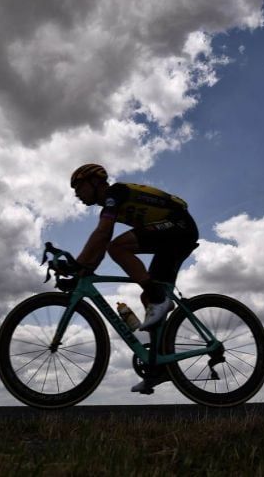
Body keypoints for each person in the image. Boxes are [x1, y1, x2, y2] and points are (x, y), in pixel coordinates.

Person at [69, 163, 199, 392]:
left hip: (178, 226)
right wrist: (83, 270)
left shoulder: (114, 194)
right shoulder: (108, 206)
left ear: (95, 182)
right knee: (148, 299)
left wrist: (79, 263)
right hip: (173, 235)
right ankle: (160, 367)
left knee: (118, 248)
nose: (76, 193)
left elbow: (103, 235)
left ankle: (159, 298)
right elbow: (100, 242)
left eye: (78, 186)